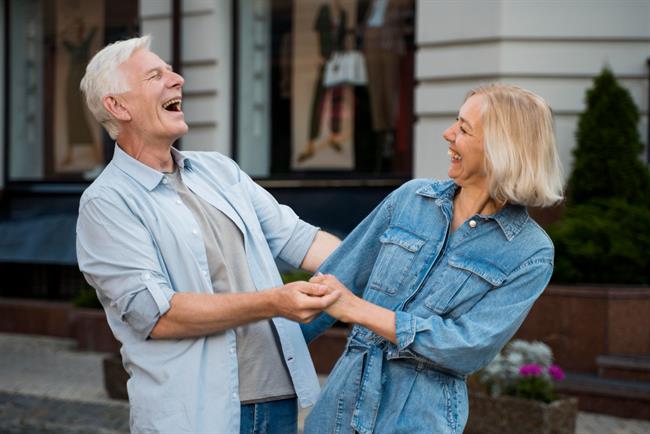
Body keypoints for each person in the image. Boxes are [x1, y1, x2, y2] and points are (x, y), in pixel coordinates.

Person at [75, 35, 342, 434]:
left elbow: (301, 241)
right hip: (198, 416)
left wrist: (382, 261)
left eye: (171, 70)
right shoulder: (107, 202)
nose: (178, 79)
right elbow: (159, 315)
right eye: (155, 75)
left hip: (278, 403)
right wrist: (274, 301)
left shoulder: (219, 169)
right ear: (118, 105)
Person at [302, 83, 564, 434]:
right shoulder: (410, 200)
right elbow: (331, 285)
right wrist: (253, 360)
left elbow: (467, 347)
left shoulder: (530, 252)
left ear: (501, 150)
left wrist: (359, 310)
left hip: (421, 419)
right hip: (340, 407)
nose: (448, 133)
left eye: (464, 128)